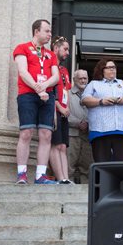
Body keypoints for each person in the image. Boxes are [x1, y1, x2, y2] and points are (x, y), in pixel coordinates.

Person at [13, 19, 59, 184]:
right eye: (46, 31)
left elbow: (56, 76)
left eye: (50, 32)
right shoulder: (22, 48)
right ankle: (22, 174)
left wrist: (45, 86)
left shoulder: (51, 54)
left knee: (46, 134)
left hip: (47, 95)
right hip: (27, 95)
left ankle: (41, 175)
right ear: (36, 31)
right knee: (26, 133)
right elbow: (22, 71)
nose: (49, 35)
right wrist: (38, 88)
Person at [81, 60, 123, 162]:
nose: (112, 69)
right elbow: (84, 100)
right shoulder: (94, 84)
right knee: (102, 165)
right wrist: (101, 101)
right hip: (100, 131)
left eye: (114, 67)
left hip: (122, 131)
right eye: (109, 67)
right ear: (102, 70)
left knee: (122, 165)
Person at [48, 36, 73, 184]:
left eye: (68, 49)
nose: (68, 52)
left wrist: (67, 107)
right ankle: (60, 177)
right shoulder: (50, 67)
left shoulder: (64, 70)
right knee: (55, 144)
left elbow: (67, 90)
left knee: (63, 146)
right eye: (65, 49)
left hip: (64, 111)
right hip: (54, 109)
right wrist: (59, 107)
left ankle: (66, 178)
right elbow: (51, 91)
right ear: (56, 49)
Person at [68, 69, 93, 184]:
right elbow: (64, 114)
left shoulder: (93, 95)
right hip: (72, 135)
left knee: (87, 169)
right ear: (74, 80)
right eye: (80, 78)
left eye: (85, 78)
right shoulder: (67, 94)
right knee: (69, 166)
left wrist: (89, 123)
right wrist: (78, 123)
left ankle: (86, 196)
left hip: (88, 136)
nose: (83, 81)